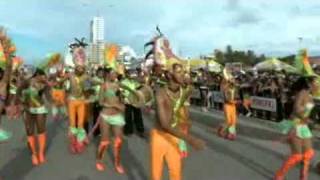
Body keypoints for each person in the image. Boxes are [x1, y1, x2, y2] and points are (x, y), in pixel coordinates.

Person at [151, 63, 205, 180]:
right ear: (170, 75)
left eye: (183, 72)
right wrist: (190, 139)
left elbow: (180, 106)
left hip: (174, 136)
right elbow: (164, 125)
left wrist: (184, 120)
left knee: (176, 173)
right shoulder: (160, 93)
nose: (183, 75)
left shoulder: (183, 91)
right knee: (157, 174)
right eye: (179, 72)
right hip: (159, 136)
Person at [275, 76, 317, 180]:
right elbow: (297, 109)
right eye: (316, 82)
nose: (318, 85)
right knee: (297, 156)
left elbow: (305, 113)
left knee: (309, 153)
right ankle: (279, 176)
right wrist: (306, 114)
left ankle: (303, 177)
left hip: (303, 126)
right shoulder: (302, 93)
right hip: (295, 125)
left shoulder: (309, 95)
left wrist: (308, 120)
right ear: (309, 84)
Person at [95, 68, 126, 174]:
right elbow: (100, 102)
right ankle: (99, 160)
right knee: (104, 142)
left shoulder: (119, 86)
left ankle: (117, 163)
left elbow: (122, 101)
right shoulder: (103, 86)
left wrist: (123, 104)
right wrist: (113, 105)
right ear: (107, 74)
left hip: (117, 116)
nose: (115, 75)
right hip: (106, 116)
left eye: (116, 73)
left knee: (118, 141)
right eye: (113, 73)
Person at [19, 69, 49, 165]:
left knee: (41, 130)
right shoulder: (27, 81)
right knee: (30, 131)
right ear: (37, 75)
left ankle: (40, 153)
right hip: (28, 110)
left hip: (40, 109)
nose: (44, 77)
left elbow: (48, 96)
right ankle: (33, 154)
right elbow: (18, 91)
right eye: (42, 75)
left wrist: (54, 101)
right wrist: (21, 102)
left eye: (45, 76)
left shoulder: (44, 83)